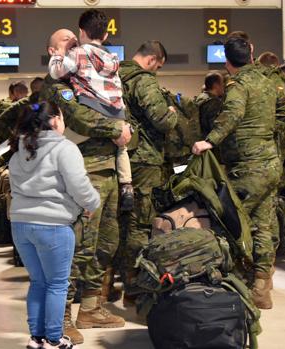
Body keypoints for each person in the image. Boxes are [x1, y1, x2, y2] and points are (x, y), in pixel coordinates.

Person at [42, 28, 132, 344]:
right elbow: (78, 118)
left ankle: (91, 308)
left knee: (106, 242)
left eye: (74, 39)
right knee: (76, 247)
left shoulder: (85, 79)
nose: (73, 43)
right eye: (65, 40)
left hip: (105, 169)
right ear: (52, 50)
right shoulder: (58, 86)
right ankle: (61, 316)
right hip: (78, 174)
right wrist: (116, 128)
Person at [192, 37, 281, 309]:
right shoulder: (268, 80)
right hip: (271, 163)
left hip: (247, 167)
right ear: (251, 54)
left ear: (227, 61)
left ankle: (236, 280)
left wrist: (211, 140)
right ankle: (262, 287)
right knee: (262, 224)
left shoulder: (237, 85)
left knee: (229, 222)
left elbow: (233, 112)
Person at [9, 100, 100, 349]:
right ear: (54, 120)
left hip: (20, 225)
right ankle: (54, 338)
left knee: (38, 282)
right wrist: (92, 203)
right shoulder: (64, 148)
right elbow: (79, 185)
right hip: (54, 226)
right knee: (58, 284)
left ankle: (36, 338)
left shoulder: (19, 150)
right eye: (61, 117)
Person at [48, 9, 134, 211]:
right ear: (105, 35)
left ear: (81, 31)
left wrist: (58, 57)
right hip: (115, 112)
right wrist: (118, 128)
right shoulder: (112, 57)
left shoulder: (77, 54)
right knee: (122, 149)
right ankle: (127, 184)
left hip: (93, 107)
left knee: (63, 142)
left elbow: (57, 71)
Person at [117, 40, 178, 304]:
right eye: (158, 67)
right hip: (144, 160)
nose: (157, 72)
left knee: (119, 221)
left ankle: (111, 282)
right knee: (140, 223)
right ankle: (135, 288)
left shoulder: (113, 75)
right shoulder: (144, 81)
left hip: (120, 157)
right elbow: (162, 120)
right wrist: (173, 112)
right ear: (152, 59)